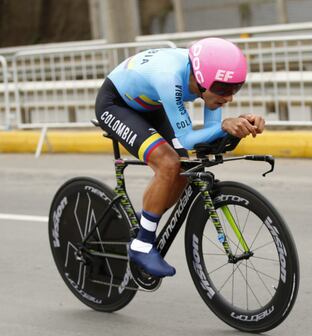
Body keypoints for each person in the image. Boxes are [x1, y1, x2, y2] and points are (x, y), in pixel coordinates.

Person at [95, 37, 265, 278]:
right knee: (168, 164)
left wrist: (241, 124)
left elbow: (210, 136)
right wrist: (226, 125)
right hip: (116, 105)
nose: (229, 98)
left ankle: (145, 220)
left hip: (152, 106)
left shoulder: (208, 80)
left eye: (235, 89)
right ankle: (142, 244)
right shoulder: (170, 77)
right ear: (200, 79)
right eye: (223, 90)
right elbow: (186, 139)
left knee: (186, 169)